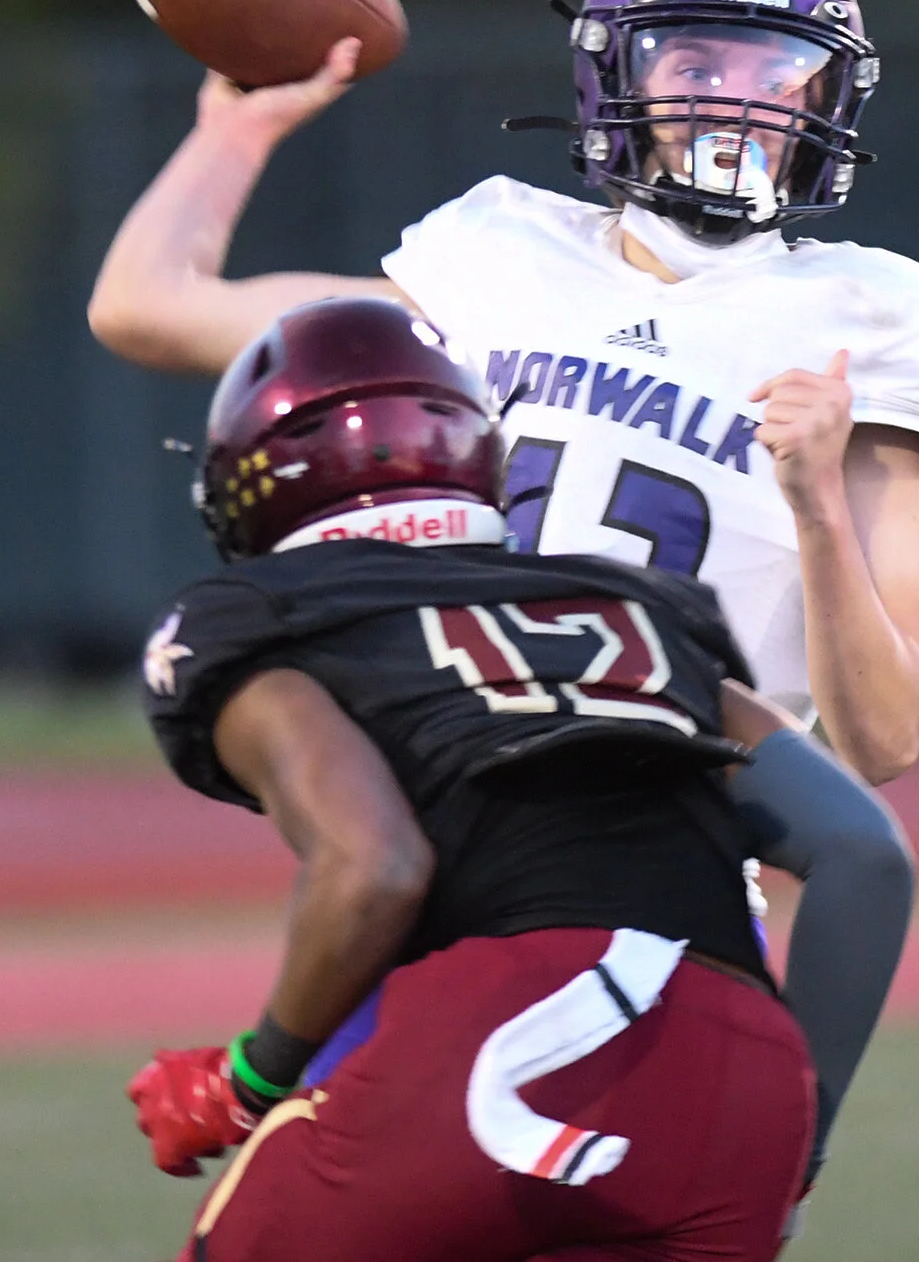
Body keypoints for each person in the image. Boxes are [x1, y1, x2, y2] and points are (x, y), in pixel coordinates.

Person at [90, 0, 919, 1188]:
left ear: (827, 95)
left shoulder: (881, 319)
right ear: (617, 72)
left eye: (775, 67)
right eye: (695, 58)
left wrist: (813, 502)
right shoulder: (498, 253)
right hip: (438, 833)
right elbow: (150, 307)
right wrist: (235, 134)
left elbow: (883, 737)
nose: (736, 96)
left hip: (657, 870)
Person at [128, 297, 822, 1261]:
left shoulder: (255, 614)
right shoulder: (645, 608)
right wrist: (805, 1115)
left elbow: (373, 867)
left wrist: (246, 1081)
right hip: (744, 1074)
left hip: (512, 1038)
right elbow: (865, 853)